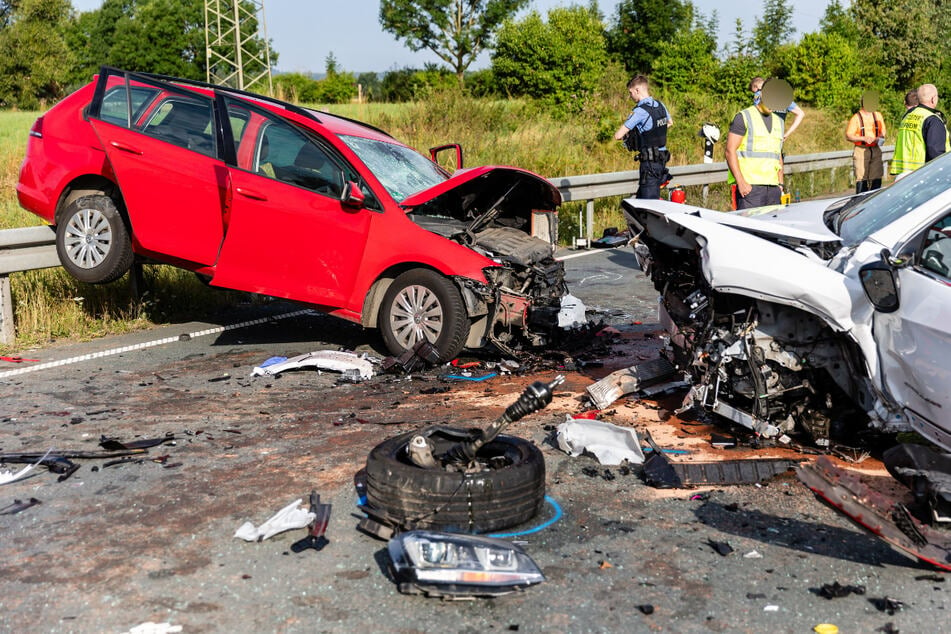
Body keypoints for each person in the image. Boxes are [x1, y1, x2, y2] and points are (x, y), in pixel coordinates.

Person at [726, 78, 786, 210]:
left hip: (773, 188)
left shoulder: (779, 122)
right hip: (750, 189)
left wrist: (780, 184)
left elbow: (778, 155)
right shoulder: (744, 117)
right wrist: (741, 183)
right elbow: (730, 151)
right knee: (750, 230)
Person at [614, 75, 673, 199]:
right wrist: (653, 132)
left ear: (637, 90)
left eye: (630, 93)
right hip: (662, 161)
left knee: (649, 206)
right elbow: (670, 123)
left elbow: (618, 135)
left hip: (649, 164)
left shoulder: (640, 111)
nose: (630, 96)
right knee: (640, 202)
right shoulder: (660, 105)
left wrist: (640, 135)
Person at [890, 83, 950, 178]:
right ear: (933, 99)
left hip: (902, 175)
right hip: (922, 176)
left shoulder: (908, 116)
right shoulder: (932, 120)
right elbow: (935, 152)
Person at [845, 91, 886, 193]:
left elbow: (883, 132)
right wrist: (863, 138)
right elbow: (848, 135)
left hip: (875, 149)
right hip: (861, 150)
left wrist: (879, 138)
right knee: (861, 178)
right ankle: (860, 201)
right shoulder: (856, 118)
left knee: (876, 178)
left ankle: (875, 200)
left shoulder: (878, 115)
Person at [750, 76, 804, 141]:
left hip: (762, 137)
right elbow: (801, 114)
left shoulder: (759, 94)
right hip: (778, 137)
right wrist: (787, 134)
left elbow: (756, 113)